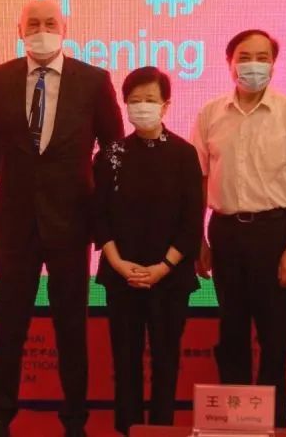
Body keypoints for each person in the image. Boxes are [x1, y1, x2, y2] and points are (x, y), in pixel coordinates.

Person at [0, 0, 124, 437]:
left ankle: (74, 419)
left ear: (65, 29)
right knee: (9, 325)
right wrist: (22, 181)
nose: (41, 31)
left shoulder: (93, 80)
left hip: (72, 221)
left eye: (50, 23)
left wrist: (84, 189)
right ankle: (0, 417)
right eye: (33, 24)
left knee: (71, 326)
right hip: (15, 222)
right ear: (19, 31)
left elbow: (113, 147)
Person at [192, 29, 286, 428]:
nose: (253, 65)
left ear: (273, 64)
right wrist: (199, 239)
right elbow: (199, 180)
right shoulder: (210, 113)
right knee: (231, 328)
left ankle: (274, 422)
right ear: (229, 62)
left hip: (273, 232)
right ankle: (234, 421)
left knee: (274, 332)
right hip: (225, 231)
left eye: (262, 57)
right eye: (244, 57)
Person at [92, 67, 204, 436]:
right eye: (135, 100)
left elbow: (191, 222)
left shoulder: (184, 154)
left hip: (169, 278)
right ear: (125, 105)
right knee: (125, 361)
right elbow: (99, 216)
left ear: (166, 105)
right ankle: (128, 429)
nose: (142, 107)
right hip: (121, 275)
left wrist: (163, 267)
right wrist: (118, 263)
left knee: (165, 360)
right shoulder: (111, 155)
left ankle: (161, 430)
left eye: (150, 100)